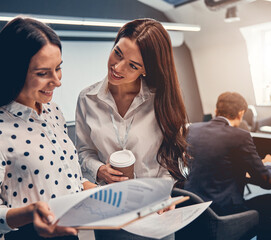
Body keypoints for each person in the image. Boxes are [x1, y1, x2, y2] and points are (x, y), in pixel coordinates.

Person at [0, 17, 96, 240]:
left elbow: (63, 175)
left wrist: (95, 189)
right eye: (43, 73)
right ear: (14, 72)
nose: (57, 81)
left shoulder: (53, 111)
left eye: (58, 68)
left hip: (70, 234)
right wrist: (30, 214)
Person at [75, 18, 189, 240]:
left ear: (146, 70)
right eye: (117, 53)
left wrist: (164, 194)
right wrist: (100, 170)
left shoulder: (161, 101)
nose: (117, 67)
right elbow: (83, 152)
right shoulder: (87, 99)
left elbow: (172, 158)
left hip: (154, 213)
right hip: (109, 211)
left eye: (133, 65)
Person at [184, 92, 271, 239]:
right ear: (241, 113)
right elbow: (266, 181)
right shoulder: (240, 136)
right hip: (221, 213)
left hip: (193, 208)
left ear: (216, 111)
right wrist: (269, 163)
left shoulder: (192, 129)